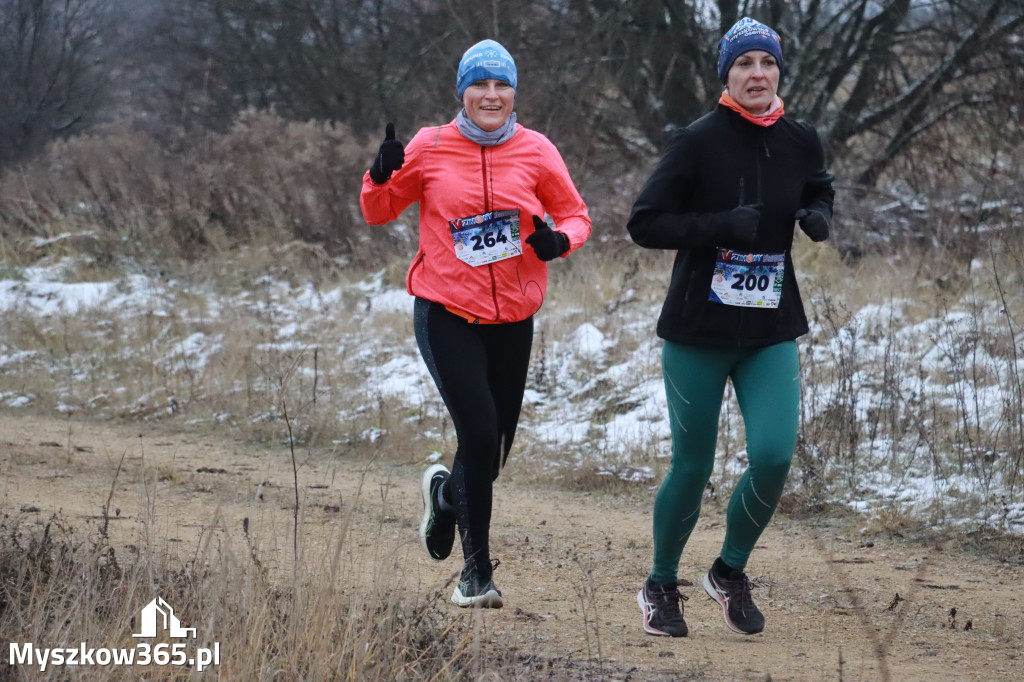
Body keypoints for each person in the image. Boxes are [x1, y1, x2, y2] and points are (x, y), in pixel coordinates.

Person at [360, 39, 591, 609]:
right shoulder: (430, 145)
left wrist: (559, 240)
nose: (491, 95)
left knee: (492, 451)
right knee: (480, 433)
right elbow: (378, 210)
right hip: (446, 313)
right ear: (462, 91)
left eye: (501, 85)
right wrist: (379, 173)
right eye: (480, 84)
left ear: (514, 92)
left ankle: (444, 497)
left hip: (514, 318)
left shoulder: (537, 150)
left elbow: (576, 215)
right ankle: (475, 575)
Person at [627, 17, 835, 637]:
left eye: (767, 64)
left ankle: (729, 571)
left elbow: (820, 186)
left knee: (773, 455)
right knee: (693, 465)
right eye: (744, 64)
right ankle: (661, 585)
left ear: (779, 74)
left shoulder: (801, 138)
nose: (757, 75)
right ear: (727, 75)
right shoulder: (697, 141)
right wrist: (719, 225)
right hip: (698, 330)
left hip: (770, 327)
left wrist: (818, 214)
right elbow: (645, 222)